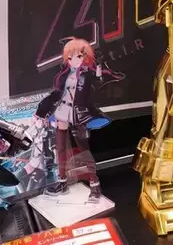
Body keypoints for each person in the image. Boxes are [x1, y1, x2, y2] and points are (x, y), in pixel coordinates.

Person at [35, 37, 123, 202]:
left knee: (84, 150)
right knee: (60, 149)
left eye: (78, 56)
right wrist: (41, 110)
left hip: (79, 114)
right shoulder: (63, 75)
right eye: (70, 57)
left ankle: (94, 184)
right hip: (62, 111)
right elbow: (56, 94)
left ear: (85, 56)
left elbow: (99, 83)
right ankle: (62, 183)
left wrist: (99, 69)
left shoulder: (88, 74)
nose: (73, 61)